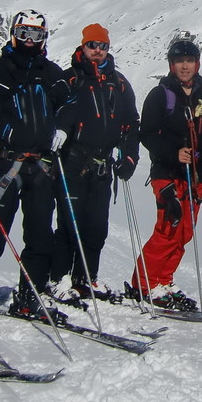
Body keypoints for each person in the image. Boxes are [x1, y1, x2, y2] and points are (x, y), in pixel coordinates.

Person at [0, 10, 73, 336]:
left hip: (40, 165)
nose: (28, 41)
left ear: (44, 38)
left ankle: (30, 294)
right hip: (5, 164)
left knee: (40, 234)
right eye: (23, 33)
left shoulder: (51, 74)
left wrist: (63, 128)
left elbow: (70, 104)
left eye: (36, 35)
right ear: (12, 34)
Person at [127, 34, 202, 311]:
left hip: (194, 176)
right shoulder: (160, 95)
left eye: (189, 61)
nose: (185, 66)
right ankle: (144, 284)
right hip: (167, 173)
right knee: (168, 228)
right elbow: (146, 134)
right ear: (171, 64)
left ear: (198, 63)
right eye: (179, 61)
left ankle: (163, 281)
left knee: (185, 232)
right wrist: (173, 153)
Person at [49, 23, 140, 304]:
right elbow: (54, 115)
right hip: (72, 161)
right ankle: (58, 278)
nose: (98, 51)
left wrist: (129, 156)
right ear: (83, 46)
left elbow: (131, 123)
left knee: (97, 227)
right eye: (93, 45)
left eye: (103, 46)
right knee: (69, 224)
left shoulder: (119, 83)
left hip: (104, 165)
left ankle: (86, 278)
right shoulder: (70, 79)